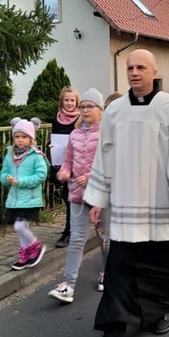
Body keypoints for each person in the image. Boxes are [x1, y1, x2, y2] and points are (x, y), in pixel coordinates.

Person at [83, 49, 169, 337]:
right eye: (129, 67)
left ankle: (161, 311)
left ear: (154, 73)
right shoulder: (114, 111)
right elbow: (104, 157)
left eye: (140, 67)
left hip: (162, 202)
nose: (134, 72)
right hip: (124, 204)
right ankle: (113, 334)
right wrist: (98, 199)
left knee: (159, 264)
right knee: (118, 266)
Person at [49, 89, 109, 303]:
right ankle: (68, 284)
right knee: (76, 240)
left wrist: (90, 176)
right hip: (76, 194)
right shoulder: (74, 134)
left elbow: (112, 164)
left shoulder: (108, 133)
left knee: (105, 240)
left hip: (101, 196)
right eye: (82, 106)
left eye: (88, 106)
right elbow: (68, 161)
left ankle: (107, 272)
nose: (84, 110)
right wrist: (64, 172)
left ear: (100, 109)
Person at [1, 118, 49, 270]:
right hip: (15, 198)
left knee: (19, 226)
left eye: (24, 137)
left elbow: (41, 176)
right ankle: (25, 256)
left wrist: (20, 181)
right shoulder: (10, 155)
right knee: (21, 228)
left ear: (31, 139)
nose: (20, 140)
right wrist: (6, 179)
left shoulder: (36, 156)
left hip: (30, 198)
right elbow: (3, 173)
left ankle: (36, 246)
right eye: (17, 136)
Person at [51, 87, 81, 248]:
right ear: (61, 101)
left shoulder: (80, 119)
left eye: (72, 100)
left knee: (71, 196)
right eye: (66, 100)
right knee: (66, 195)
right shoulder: (56, 119)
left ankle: (70, 231)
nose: (69, 103)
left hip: (78, 162)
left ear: (77, 101)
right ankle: (72, 227)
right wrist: (52, 147)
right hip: (62, 162)